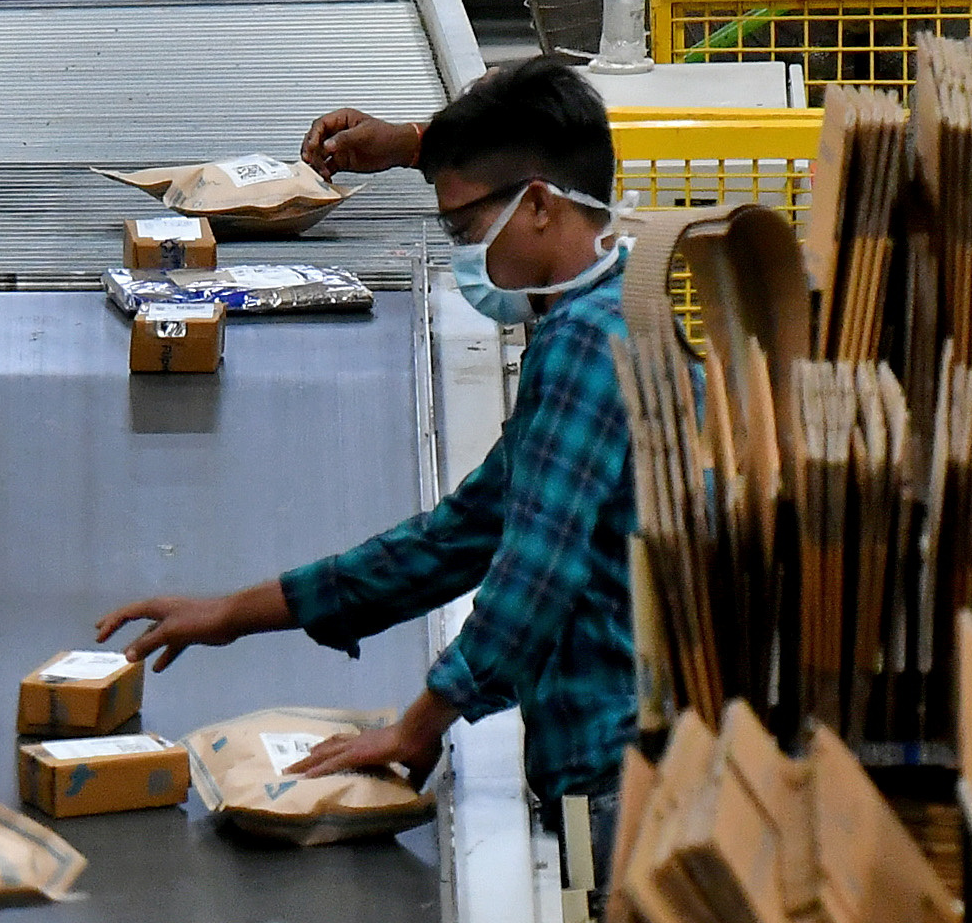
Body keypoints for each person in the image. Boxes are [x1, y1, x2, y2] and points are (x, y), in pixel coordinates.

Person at [98, 58, 637, 838]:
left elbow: (533, 575)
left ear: (542, 207)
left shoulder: (584, 347)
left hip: (619, 781)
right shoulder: (602, 318)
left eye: (464, 228)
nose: (462, 252)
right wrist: (231, 612)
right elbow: (455, 539)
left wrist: (418, 724)